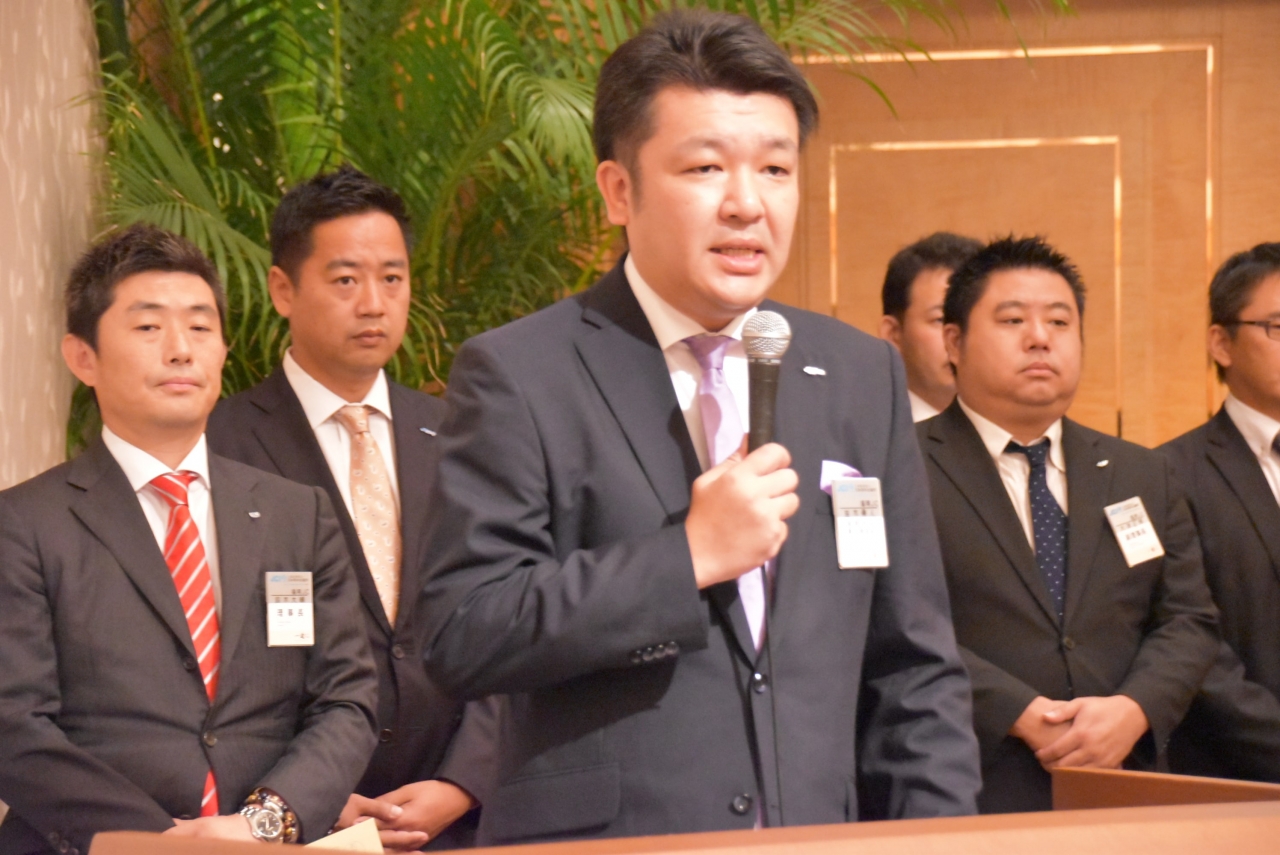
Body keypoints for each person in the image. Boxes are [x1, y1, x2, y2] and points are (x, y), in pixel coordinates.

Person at [417, 10, 981, 846]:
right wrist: (685, 557)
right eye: (706, 167)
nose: (747, 204)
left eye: (776, 169)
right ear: (619, 190)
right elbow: (463, 628)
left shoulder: (859, 373)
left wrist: (939, 838)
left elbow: (915, 666)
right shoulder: (520, 371)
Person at [0, 224, 378, 854]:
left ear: (224, 350)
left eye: (201, 327)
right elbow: (14, 724)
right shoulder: (24, 523)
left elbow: (346, 700)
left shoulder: (297, 514)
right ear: (83, 357)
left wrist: (262, 823)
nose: (181, 350)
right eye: (149, 327)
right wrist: (162, 845)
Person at [207, 166, 494, 850]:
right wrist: (309, 796)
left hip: (461, 821)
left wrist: (465, 780)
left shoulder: (461, 435)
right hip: (297, 822)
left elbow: (507, 618)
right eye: (345, 280)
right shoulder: (220, 445)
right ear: (283, 289)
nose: (373, 303)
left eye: (392, 278)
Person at [917, 235, 1219, 813]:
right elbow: (891, 621)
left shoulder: (1141, 472)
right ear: (954, 341)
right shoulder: (901, 466)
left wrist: (1134, 709)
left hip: (1123, 784)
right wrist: (1019, 712)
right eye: (1013, 320)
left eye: (1060, 321)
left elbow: (1189, 620)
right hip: (968, 784)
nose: (1040, 338)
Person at [1161, 243, 1280, 782]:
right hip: (1232, 781)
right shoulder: (1167, 474)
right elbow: (1193, 645)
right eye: (1277, 327)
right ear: (1221, 343)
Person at [879, 232, 982, 422]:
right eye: (942, 319)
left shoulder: (1028, 427)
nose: (963, 338)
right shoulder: (867, 429)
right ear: (893, 334)